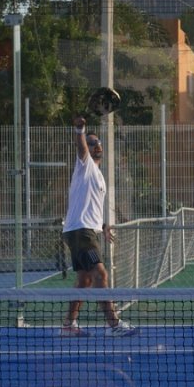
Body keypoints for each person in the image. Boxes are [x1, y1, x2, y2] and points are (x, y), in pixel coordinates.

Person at [61, 116, 137, 337]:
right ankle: (113, 325)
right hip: (81, 231)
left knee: (85, 279)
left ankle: (68, 325)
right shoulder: (84, 165)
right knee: (100, 274)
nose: (96, 145)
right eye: (92, 142)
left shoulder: (99, 176)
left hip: (84, 230)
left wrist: (102, 225)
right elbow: (81, 147)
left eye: (98, 142)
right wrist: (80, 130)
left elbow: (89, 204)